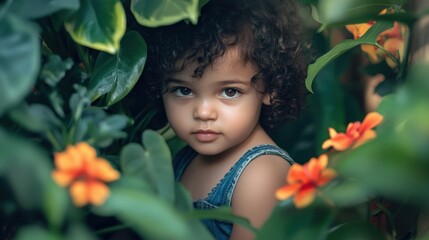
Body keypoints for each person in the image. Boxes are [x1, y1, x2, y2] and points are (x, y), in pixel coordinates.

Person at [141, 0, 308, 239]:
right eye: (184, 90)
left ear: (270, 88)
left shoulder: (260, 175)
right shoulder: (185, 157)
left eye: (230, 91)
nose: (203, 113)